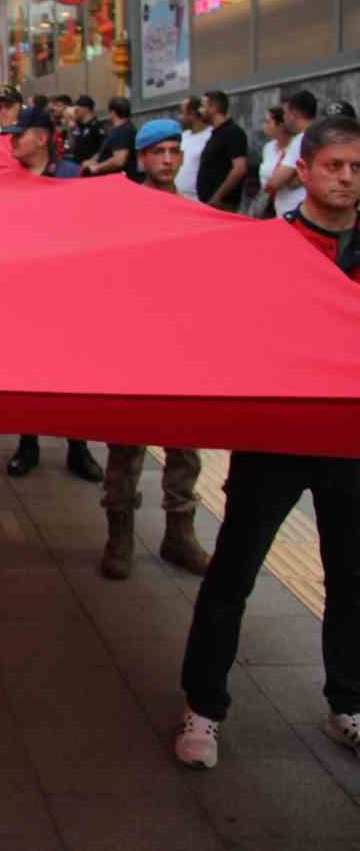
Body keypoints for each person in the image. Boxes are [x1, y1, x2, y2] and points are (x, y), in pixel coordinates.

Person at [175, 114, 360, 771]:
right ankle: (202, 707)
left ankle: (348, 703)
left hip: (350, 445)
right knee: (233, 574)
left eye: (356, 168)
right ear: (301, 171)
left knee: (351, 578)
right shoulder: (267, 245)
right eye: (334, 165)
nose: (346, 178)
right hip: (274, 438)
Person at [97, 119, 210, 581]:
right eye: (157, 152)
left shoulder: (194, 211)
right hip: (134, 348)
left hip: (183, 347)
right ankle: (119, 535)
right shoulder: (121, 212)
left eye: (173, 151)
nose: (166, 160)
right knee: (125, 448)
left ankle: (179, 532)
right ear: (141, 158)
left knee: (185, 447)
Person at [3, 106, 104, 483]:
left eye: (20, 134)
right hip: (21, 292)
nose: (13, 140)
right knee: (27, 374)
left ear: (43, 138)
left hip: (65, 294)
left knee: (71, 375)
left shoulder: (71, 175)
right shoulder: (6, 178)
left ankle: (78, 447)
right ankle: (27, 444)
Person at [265, 90, 317, 218]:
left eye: (285, 113)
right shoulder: (319, 134)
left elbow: (275, 182)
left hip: (294, 214)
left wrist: (287, 181)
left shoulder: (302, 139)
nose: (283, 117)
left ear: (293, 114)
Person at [197, 90, 249, 212]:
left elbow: (239, 168)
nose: (200, 111)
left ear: (213, 108)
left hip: (222, 206)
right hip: (209, 204)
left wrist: (217, 197)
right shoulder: (216, 134)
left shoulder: (233, 132)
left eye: (203, 106)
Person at [83, 97, 140, 182]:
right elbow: (103, 153)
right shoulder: (117, 130)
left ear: (112, 112)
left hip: (120, 184)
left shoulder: (124, 130)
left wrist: (97, 168)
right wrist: (91, 161)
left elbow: (119, 160)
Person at [176, 96, 212, 202]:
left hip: (198, 200)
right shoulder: (183, 136)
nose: (179, 117)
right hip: (178, 197)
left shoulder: (210, 136)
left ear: (192, 114)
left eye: (182, 113)